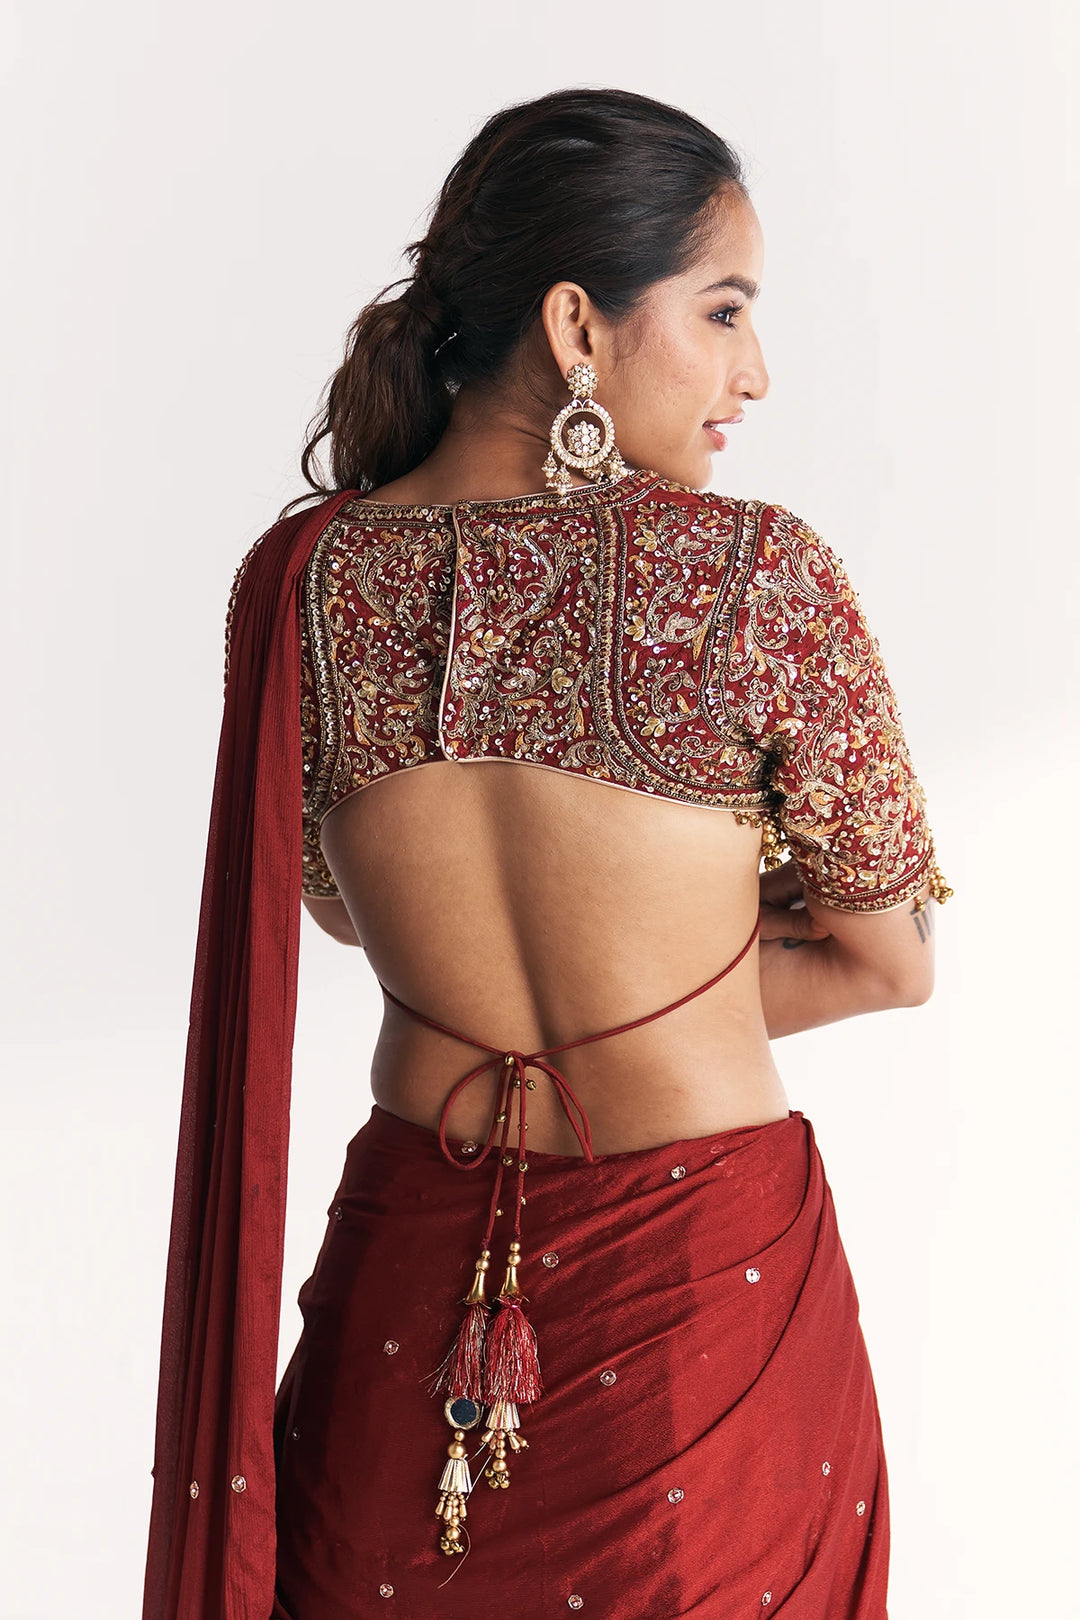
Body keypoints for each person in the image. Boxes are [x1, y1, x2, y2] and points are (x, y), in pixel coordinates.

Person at [143, 87, 952, 1620]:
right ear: (579, 323)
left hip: (409, 1287)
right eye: (722, 312)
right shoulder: (748, 574)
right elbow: (887, 957)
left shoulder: (306, 580)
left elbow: (328, 907)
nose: (753, 373)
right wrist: (687, 953)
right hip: (703, 1300)